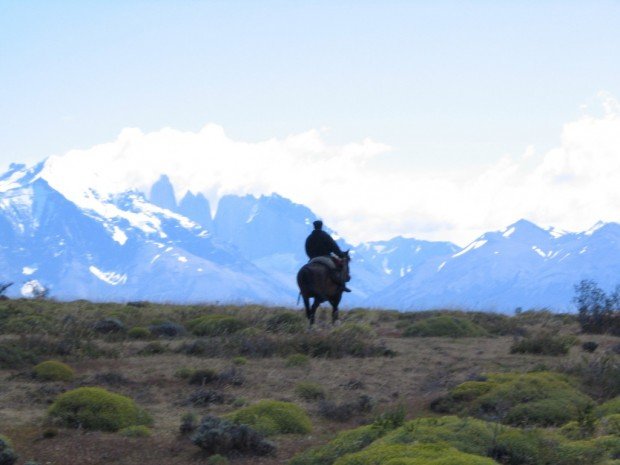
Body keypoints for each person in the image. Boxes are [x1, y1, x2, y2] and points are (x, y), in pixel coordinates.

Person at [305, 220, 351, 292]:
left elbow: (307, 249)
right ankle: (342, 286)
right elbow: (334, 248)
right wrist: (341, 255)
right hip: (325, 258)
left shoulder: (309, 238)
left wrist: (311, 257)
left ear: (314, 226)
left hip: (313, 259)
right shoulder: (325, 236)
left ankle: (304, 289)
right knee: (336, 268)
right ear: (321, 226)